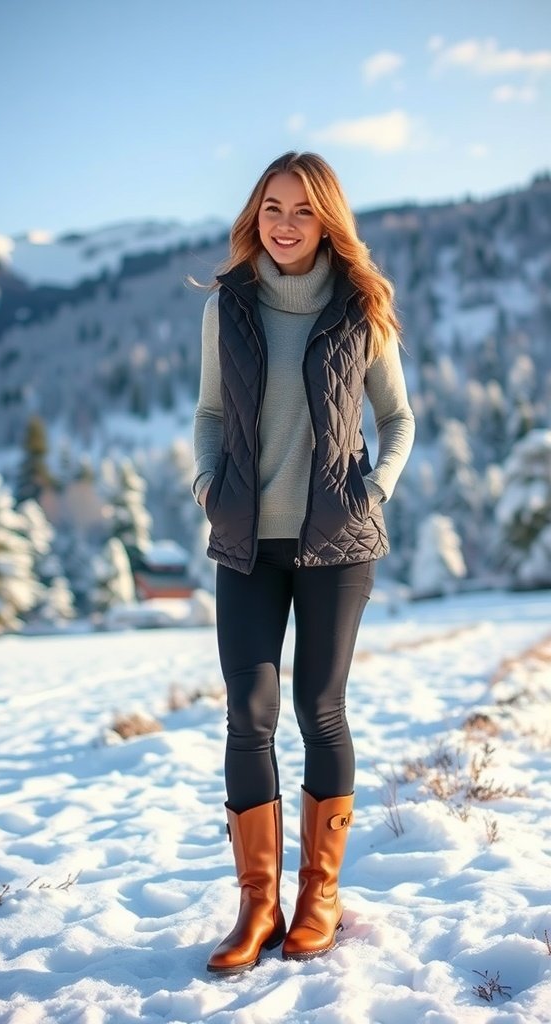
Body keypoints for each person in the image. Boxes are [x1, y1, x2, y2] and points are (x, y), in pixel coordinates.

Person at [192, 151, 415, 975]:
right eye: (273, 207)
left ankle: (319, 896)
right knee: (247, 715)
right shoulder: (231, 306)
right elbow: (210, 412)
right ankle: (258, 906)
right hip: (247, 540)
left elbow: (399, 419)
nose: (285, 224)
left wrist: (376, 491)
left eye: (303, 211)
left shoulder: (361, 307)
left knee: (320, 708)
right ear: (257, 213)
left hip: (336, 542)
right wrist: (206, 486)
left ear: (328, 221)